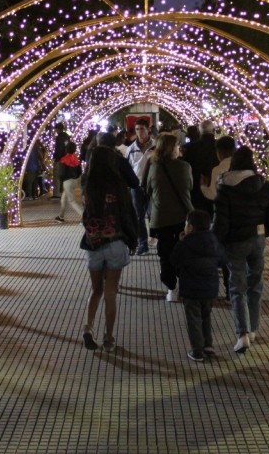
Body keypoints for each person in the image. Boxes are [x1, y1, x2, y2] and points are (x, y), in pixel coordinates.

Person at [213, 146, 269, 354]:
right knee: (255, 284)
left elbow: (220, 222)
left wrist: (218, 241)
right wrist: (262, 232)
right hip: (257, 239)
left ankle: (242, 334)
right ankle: (253, 329)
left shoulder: (226, 187)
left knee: (237, 286)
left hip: (235, 241)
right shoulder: (265, 186)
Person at [80, 145, 139, 354]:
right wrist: (134, 239)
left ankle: (88, 327)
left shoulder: (87, 183)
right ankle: (109, 338)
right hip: (115, 241)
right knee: (110, 291)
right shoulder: (117, 183)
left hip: (94, 243)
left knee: (96, 290)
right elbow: (127, 213)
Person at [170, 209, 229, 362]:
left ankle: (197, 351)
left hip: (191, 288)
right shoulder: (213, 240)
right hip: (210, 287)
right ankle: (208, 345)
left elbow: (174, 259)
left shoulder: (186, 243)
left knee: (193, 319)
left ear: (190, 227)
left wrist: (181, 241)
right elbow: (223, 259)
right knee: (206, 315)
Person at [146, 132, 193, 302]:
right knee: (183, 251)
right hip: (183, 216)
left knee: (165, 254)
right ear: (173, 148)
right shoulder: (185, 167)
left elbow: (147, 189)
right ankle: (185, 284)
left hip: (161, 218)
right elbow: (190, 186)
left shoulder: (154, 167)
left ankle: (171, 288)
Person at [125, 118, 155, 255]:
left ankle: (155, 238)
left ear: (148, 129)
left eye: (142, 129)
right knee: (139, 216)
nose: (139, 132)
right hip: (136, 186)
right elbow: (127, 168)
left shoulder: (156, 146)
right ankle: (143, 244)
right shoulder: (131, 149)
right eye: (137, 129)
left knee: (153, 214)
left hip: (152, 185)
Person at [183, 119, 220, 215]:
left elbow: (186, 167)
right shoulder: (219, 146)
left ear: (199, 131)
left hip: (196, 188)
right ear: (213, 130)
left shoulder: (191, 148)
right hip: (217, 187)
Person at [54, 141, 84, 223]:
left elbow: (61, 173)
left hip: (67, 182)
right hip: (75, 180)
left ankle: (84, 216)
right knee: (64, 198)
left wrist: (61, 182)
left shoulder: (64, 160)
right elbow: (79, 171)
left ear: (66, 149)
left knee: (72, 201)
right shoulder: (75, 158)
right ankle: (61, 216)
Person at [51, 122, 69, 199]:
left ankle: (57, 194)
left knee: (57, 176)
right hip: (66, 159)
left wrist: (56, 157)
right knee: (63, 176)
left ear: (57, 129)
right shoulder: (67, 137)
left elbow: (59, 149)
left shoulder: (59, 137)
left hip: (59, 159)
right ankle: (64, 192)